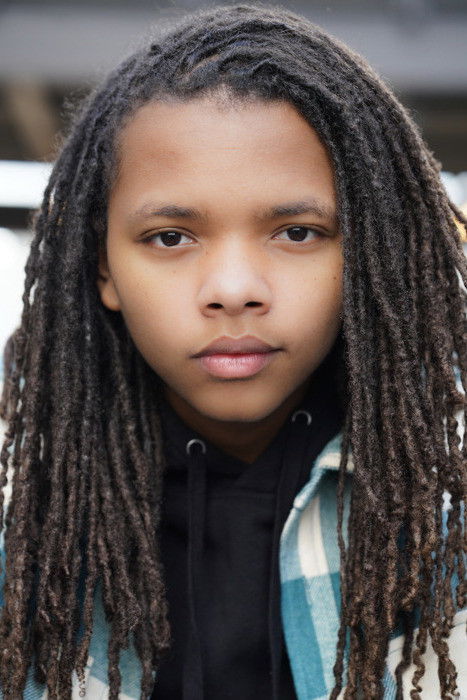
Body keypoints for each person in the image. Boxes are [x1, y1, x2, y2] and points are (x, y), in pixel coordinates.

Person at [0, 3, 466, 698]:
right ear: (104, 268)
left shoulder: (448, 493)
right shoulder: (22, 509)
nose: (233, 290)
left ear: (368, 252)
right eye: (170, 237)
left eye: (297, 232)